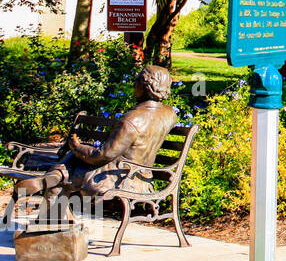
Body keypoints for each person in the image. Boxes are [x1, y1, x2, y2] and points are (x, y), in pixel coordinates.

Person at [13, 65, 178, 204]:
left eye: (137, 82)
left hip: (120, 179)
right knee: (72, 161)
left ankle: (51, 203)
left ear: (146, 86)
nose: (134, 85)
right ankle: (53, 189)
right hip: (142, 175)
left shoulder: (131, 121)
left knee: (67, 170)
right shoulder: (170, 114)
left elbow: (102, 155)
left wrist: (76, 146)